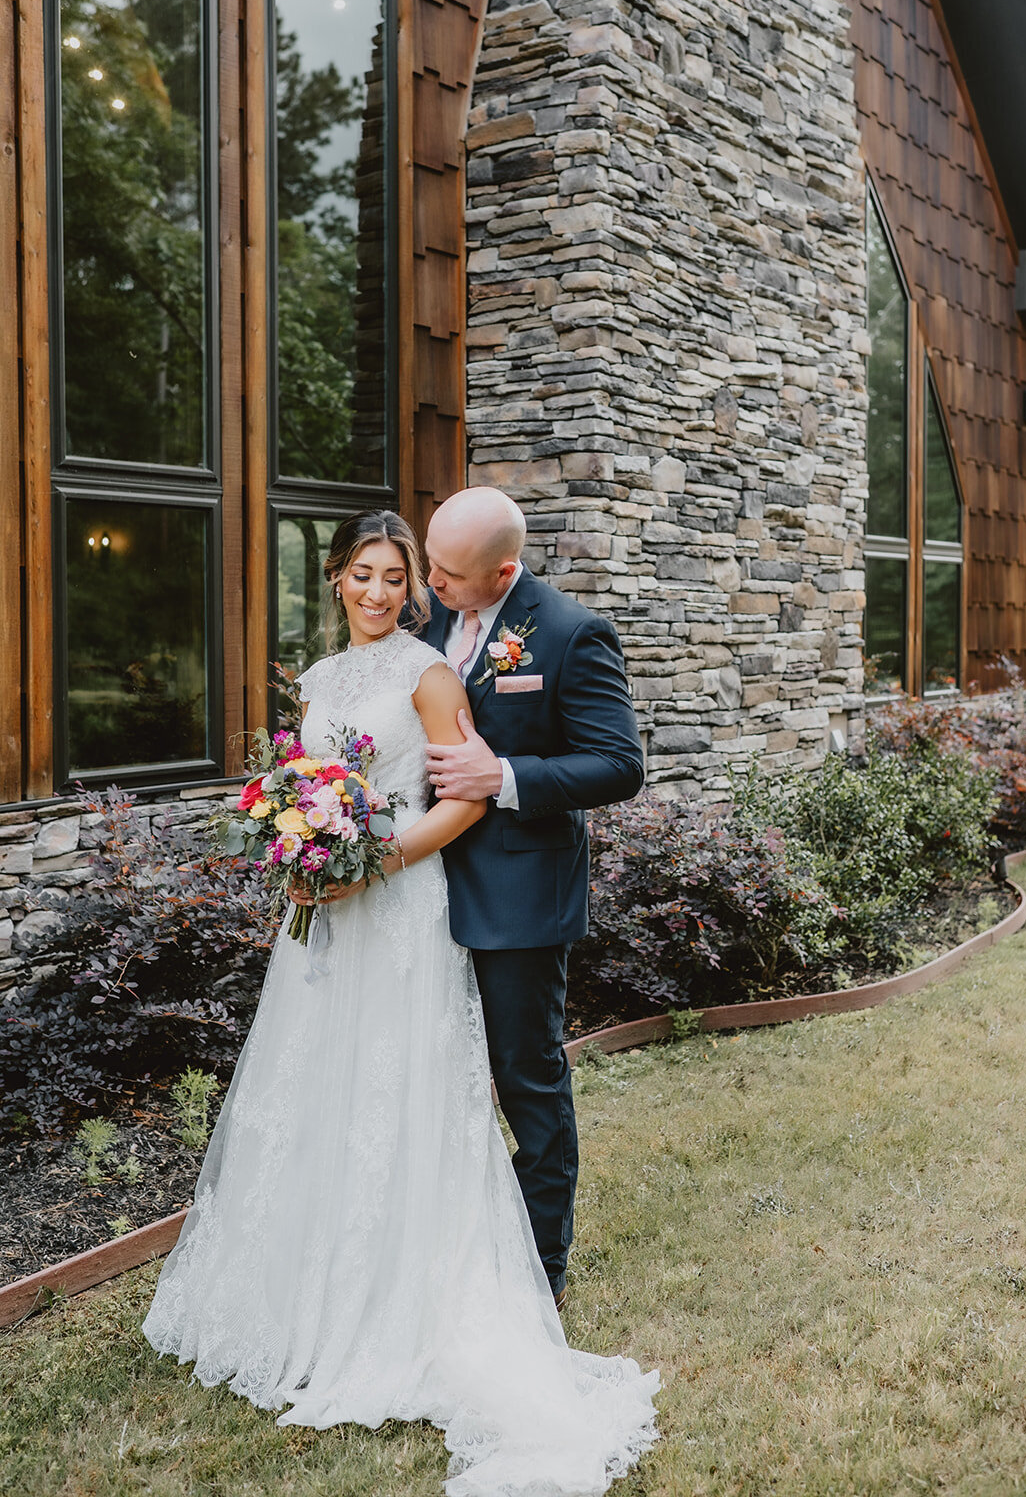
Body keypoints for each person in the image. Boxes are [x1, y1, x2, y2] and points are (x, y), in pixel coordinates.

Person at [143, 509, 658, 1497]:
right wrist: (302, 849)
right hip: (345, 916)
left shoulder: (513, 643)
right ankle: (309, 1283)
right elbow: (314, 782)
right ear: (336, 577)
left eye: (407, 576)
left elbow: (577, 766)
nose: (389, 591)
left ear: (471, 573)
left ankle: (530, 1281)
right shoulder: (328, 679)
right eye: (367, 574)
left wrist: (375, 855)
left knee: (502, 1081)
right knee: (319, 1092)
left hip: (449, 897)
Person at [421, 487, 645, 1307]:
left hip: (518, 896)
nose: (430, 583)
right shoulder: (429, 620)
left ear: (504, 571)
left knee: (527, 1079)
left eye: (447, 574)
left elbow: (619, 764)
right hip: (420, 890)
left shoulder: (570, 633)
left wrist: (504, 777)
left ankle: (540, 1270)